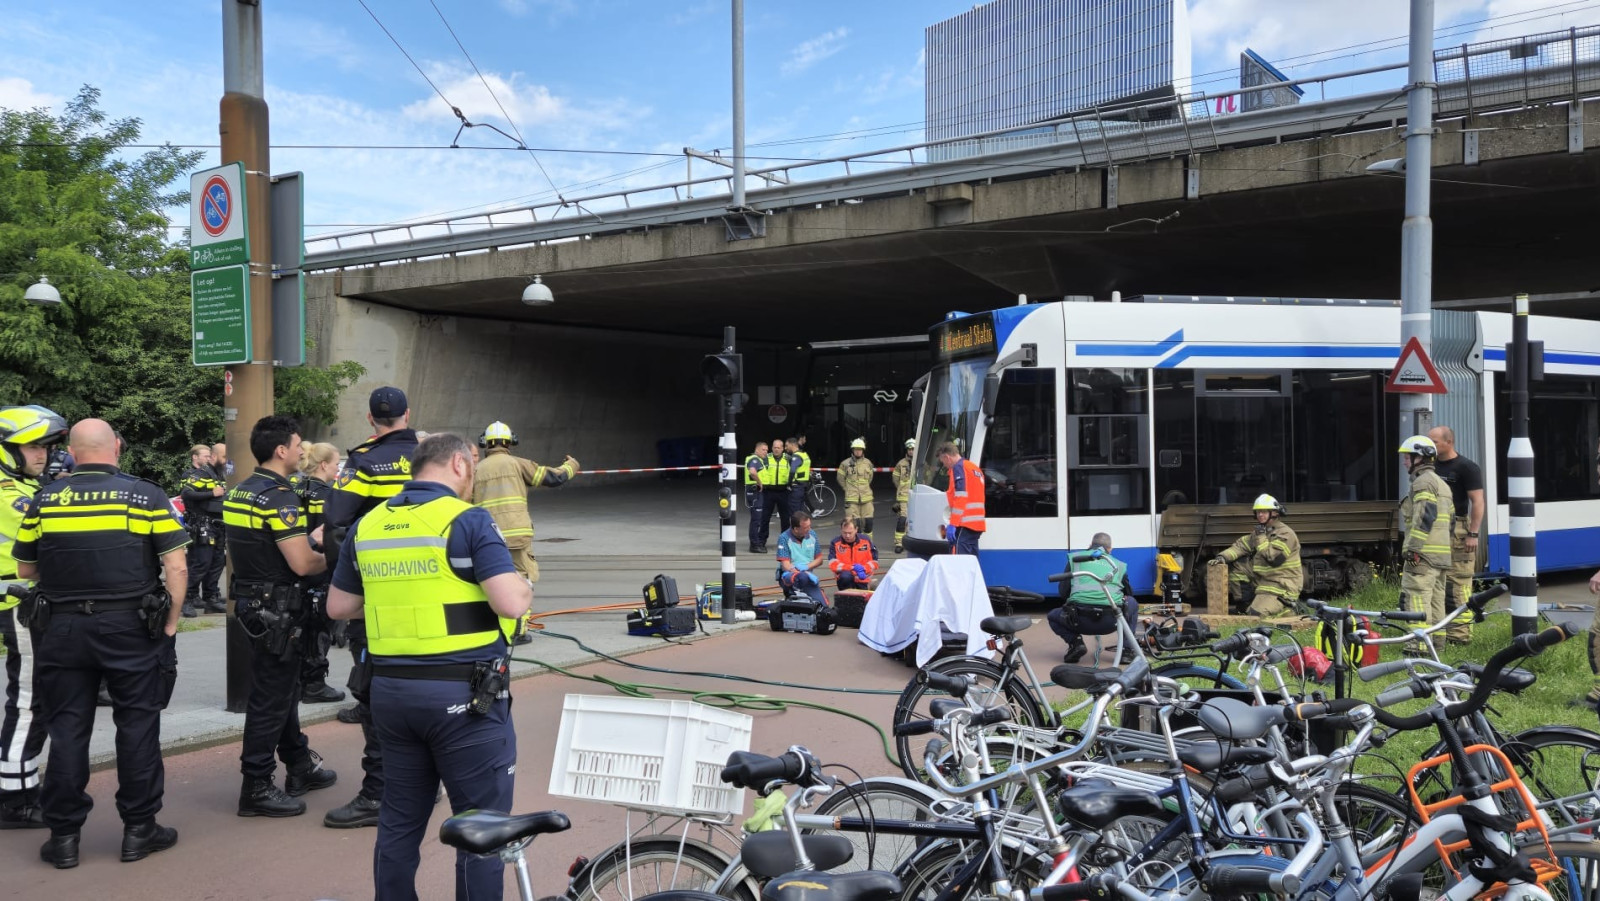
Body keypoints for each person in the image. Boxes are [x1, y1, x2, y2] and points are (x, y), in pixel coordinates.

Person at [327, 432, 533, 901]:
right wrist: (523, 587)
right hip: (466, 699)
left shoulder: (370, 524)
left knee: (399, 821)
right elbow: (508, 602)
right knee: (481, 828)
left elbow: (339, 606)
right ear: (460, 465)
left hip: (393, 696)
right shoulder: (467, 520)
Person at [12, 419, 187, 869]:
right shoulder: (144, 495)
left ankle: (65, 836)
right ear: (118, 448)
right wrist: (170, 624)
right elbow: (177, 567)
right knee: (138, 726)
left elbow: (26, 571)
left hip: (63, 630)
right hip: (130, 627)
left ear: (69, 452)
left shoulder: (45, 498)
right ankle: (139, 830)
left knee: (67, 729)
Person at [225, 415, 340, 819]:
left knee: (283, 690)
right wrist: (328, 549)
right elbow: (303, 564)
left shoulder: (240, 492)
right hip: (280, 612)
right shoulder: (279, 496)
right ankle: (256, 785)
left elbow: (262, 547)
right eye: (297, 445)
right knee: (270, 700)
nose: (301, 451)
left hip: (256, 606)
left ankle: (299, 764)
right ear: (280, 451)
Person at [319, 386, 418, 828]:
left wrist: (346, 586)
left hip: (377, 599)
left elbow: (338, 524)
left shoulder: (362, 462)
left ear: (370, 419)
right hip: (430, 596)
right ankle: (422, 782)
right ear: (407, 415)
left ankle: (379, 794)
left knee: (375, 692)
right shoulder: (431, 456)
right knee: (424, 689)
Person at [0, 405, 68, 830]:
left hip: (28, 606)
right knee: (28, 703)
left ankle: (21, 786)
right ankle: (14, 800)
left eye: (45, 446)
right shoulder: (10, 495)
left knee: (35, 701)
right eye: (33, 446)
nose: (42, 454)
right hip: (19, 607)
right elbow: (54, 539)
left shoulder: (23, 487)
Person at [470, 420, 579, 588]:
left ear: (485, 442)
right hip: (517, 535)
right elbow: (554, 478)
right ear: (510, 441)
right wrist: (572, 464)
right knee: (522, 580)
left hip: (487, 536)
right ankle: (521, 613)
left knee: (493, 580)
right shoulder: (519, 464)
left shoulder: (476, 470)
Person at [294, 442, 346, 704]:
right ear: (324, 464)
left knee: (300, 626)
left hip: (295, 565)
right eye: (337, 463)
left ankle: (299, 679)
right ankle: (313, 684)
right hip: (320, 567)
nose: (338, 469)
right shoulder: (328, 495)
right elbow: (333, 534)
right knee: (318, 628)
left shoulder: (294, 488)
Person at [1396, 435, 1457, 647]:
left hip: (1422, 556)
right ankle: (1438, 643)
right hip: (1441, 556)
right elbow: (1451, 522)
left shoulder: (1422, 483)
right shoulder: (1443, 486)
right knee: (1436, 600)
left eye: (1407, 458)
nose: (1404, 462)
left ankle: (1418, 646)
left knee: (1417, 597)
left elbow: (1424, 517)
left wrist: (1413, 549)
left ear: (1419, 458)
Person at [1428, 426, 1482, 646]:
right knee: (1436, 581)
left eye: (1435, 442)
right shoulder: (1429, 466)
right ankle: (1440, 630)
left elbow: (1478, 502)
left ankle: (1460, 636)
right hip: (1436, 529)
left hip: (1459, 529)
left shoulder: (1467, 467)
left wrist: (1473, 534)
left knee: (1459, 582)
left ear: (1449, 442)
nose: (1431, 446)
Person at [1047, 533, 1138, 664]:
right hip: (1111, 622)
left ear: (1090, 545)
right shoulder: (1119, 565)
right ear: (1110, 549)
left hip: (1078, 621)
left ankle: (1076, 644)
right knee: (1132, 603)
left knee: (1052, 616)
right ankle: (1127, 652)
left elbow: (1063, 592)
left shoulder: (1075, 559)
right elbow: (1129, 593)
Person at [1208, 494, 1303, 617]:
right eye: (1258, 512)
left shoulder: (1285, 534)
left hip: (1282, 586)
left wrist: (1260, 537)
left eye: (1263, 512)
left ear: (1274, 513)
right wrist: (1222, 557)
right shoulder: (1261, 532)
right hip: (1264, 581)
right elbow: (1241, 546)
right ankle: (1243, 608)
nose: (1260, 515)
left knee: (1256, 615)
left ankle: (1291, 608)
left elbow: (1273, 559)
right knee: (1237, 567)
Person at [177, 444, 226, 617]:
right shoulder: (200, 474)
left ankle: (211, 599)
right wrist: (211, 493)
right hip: (203, 524)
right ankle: (186, 600)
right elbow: (186, 494)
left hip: (219, 525)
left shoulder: (221, 474)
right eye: (224, 457)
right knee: (200, 564)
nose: (227, 461)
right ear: (214, 456)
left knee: (217, 563)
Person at [938, 442, 984, 555]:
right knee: (971, 562)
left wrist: (953, 523)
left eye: (943, 462)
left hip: (964, 523)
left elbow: (961, 496)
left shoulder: (958, 468)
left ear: (947, 457)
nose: (944, 465)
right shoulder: (974, 468)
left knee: (959, 563)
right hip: (977, 524)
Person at [776, 511, 827, 605]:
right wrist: (800, 572)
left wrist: (807, 567)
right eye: (805, 527)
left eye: (809, 525)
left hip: (807, 576)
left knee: (823, 606)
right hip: (789, 575)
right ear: (795, 529)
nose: (809, 529)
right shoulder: (784, 538)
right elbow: (785, 565)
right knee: (802, 578)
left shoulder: (812, 535)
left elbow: (819, 560)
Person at [827, 516, 879, 592]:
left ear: (856, 530)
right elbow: (833, 564)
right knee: (846, 576)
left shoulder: (866, 541)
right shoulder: (835, 543)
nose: (847, 536)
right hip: (845, 580)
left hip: (863, 578)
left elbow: (875, 562)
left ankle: (869, 586)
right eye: (845, 533)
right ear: (841, 530)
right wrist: (852, 567)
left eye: (850, 533)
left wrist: (864, 568)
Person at [837, 438, 876, 536]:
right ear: (853, 450)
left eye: (860, 449)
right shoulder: (845, 464)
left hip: (866, 498)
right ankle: (857, 547)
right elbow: (840, 478)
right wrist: (847, 489)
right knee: (855, 525)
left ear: (863, 450)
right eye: (856, 449)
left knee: (869, 524)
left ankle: (867, 546)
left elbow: (870, 478)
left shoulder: (868, 463)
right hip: (852, 499)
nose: (858, 451)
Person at [762, 438, 795, 551]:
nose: (776, 449)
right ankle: (761, 542)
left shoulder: (788, 459)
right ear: (772, 448)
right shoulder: (766, 458)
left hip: (783, 491)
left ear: (782, 449)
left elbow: (794, 471)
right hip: (769, 492)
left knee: (785, 519)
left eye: (779, 447)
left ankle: (784, 543)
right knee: (764, 518)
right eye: (774, 447)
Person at [891, 439, 916, 553]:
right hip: (904, 496)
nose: (911, 451)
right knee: (902, 519)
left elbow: (927, 477)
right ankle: (899, 543)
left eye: (913, 449)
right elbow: (895, 479)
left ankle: (913, 541)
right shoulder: (901, 464)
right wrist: (901, 488)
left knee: (916, 520)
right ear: (907, 450)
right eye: (910, 449)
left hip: (916, 496)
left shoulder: (920, 463)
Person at [744, 441, 769, 553]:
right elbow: (753, 472)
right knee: (756, 520)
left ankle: (755, 543)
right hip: (755, 493)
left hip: (755, 493)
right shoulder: (754, 460)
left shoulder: (758, 460)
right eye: (763, 450)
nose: (766, 452)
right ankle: (754, 545)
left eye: (767, 450)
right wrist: (760, 482)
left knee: (756, 519)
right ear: (757, 449)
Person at [787, 438, 812, 519]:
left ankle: (794, 530)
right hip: (804, 485)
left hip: (796, 487)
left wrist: (789, 484)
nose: (785, 448)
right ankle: (801, 529)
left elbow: (792, 471)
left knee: (794, 513)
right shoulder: (804, 454)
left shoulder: (796, 457)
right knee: (800, 512)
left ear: (792, 445)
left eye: (787, 445)